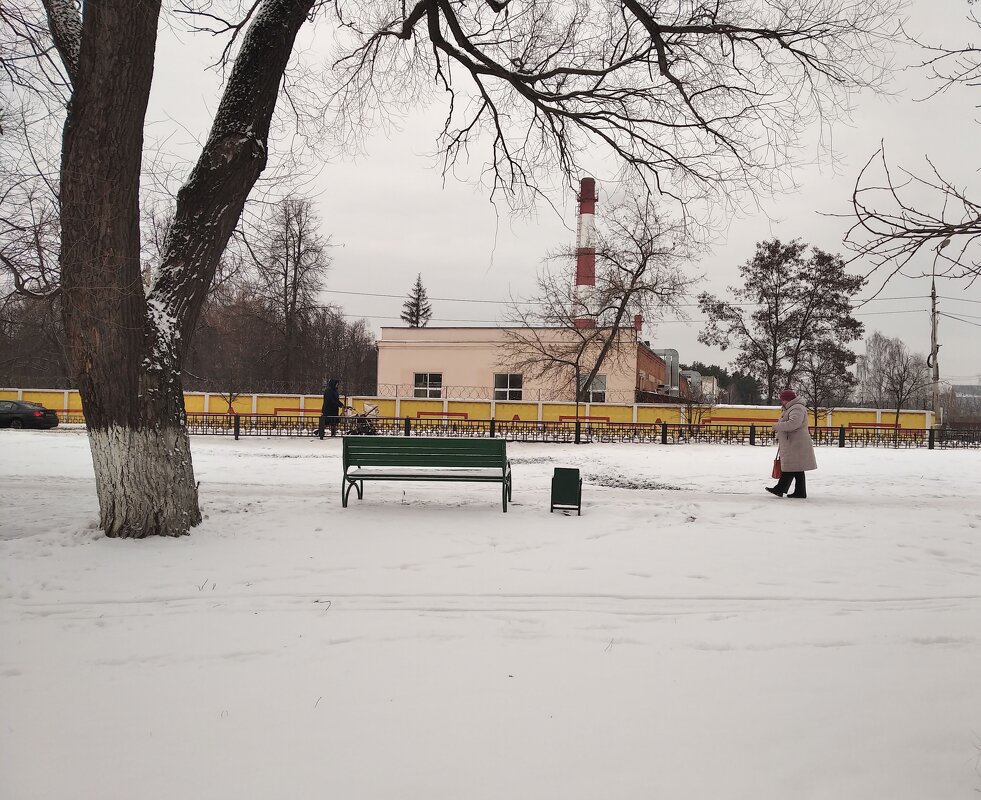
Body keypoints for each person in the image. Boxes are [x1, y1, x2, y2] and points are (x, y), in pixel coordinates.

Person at [766, 388, 817, 498]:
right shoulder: (792, 408)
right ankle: (799, 492)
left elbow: (793, 424)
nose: (781, 402)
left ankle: (780, 489)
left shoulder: (797, 408)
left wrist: (776, 426)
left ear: (788, 400)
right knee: (797, 468)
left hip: (796, 443)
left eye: (783, 400)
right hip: (794, 442)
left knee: (792, 467)